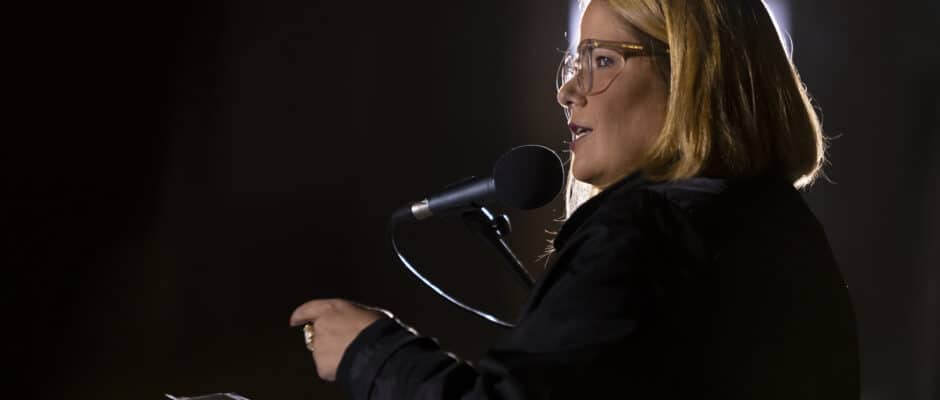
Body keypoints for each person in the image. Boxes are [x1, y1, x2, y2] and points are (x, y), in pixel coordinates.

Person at [289, 0, 860, 398]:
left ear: (690, 73)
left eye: (603, 60)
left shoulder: (644, 232)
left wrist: (371, 353)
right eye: (574, 63)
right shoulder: (782, 226)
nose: (569, 91)